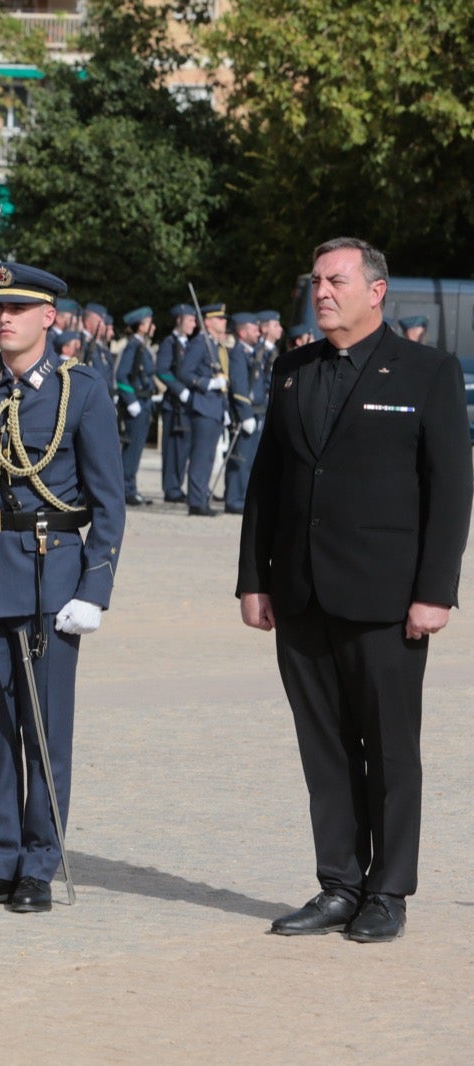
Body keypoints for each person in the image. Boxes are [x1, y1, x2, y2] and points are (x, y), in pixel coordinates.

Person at [237, 237, 472, 943]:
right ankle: (338, 883)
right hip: (303, 594)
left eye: (336, 280)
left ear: (377, 291)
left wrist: (436, 591)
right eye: (316, 280)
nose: (322, 291)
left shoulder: (427, 372)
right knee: (325, 748)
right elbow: (267, 485)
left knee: (390, 749)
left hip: (387, 599)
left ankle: (389, 889)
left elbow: (451, 490)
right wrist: (254, 580)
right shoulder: (292, 369)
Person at [0, 262, 125, 913]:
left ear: (50, 317)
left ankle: (39, 863)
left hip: (50, 576)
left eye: (18, 308)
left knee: (42, 730)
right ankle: (0, 857)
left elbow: (109, 500)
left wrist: (94, 589)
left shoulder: (81, 391)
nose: (4, 319)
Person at [177, 302, 230, 516]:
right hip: (203, 406)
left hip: (215, 407)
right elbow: (185, 373)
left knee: (208, 457)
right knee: (200, 456)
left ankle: (201, 499)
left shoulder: (214, 345)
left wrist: (224, 408)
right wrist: (207, 383)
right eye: (220, 319)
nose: (224, 322)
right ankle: (196, 502)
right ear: (208, 322)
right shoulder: (200, 343)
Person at [223, 311, 266, 515]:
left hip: (256, 412)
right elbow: (239, 387)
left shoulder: (251, 351)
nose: (258, 331)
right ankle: (234, 498)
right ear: (242, 331)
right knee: (240, 458)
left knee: (250, 459)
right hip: (244, 415)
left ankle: (243, 496)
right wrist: (245, 413)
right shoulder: (238, 353)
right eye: (253, 327)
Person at [154, 304, 196, 503]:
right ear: (179, 320)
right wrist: (180, 390)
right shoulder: (169, 343)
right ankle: (171, 488)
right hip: (174, 405)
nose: (194, 324)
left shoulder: (189, 345)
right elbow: (162, 370)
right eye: (190, 320)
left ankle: (177, 485)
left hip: (186, 406)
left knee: (183, 449)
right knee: (172, 449)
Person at [115, 306, 156, 506]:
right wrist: (131, 401)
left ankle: (131, 487)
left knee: (137, 448)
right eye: (149, 323)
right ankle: (125, 489)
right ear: (141, 327)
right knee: (132, 449)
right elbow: (121, 375)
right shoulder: (134, 346)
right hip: (137, 404)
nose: (153, 326)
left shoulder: (141, 346)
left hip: (144, 402)